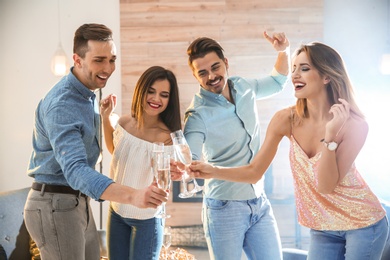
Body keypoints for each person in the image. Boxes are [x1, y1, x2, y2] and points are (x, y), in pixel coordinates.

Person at [189, 42, 389, 260]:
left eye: (304, 68)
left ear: (327, 76)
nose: (294, 75)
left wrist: (330, 137)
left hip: (363, 223)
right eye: (293, 68)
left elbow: (325, 184)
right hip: (322, 226)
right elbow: (255, 172)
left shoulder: (355, 124)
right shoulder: (286, 119)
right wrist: (210, 171)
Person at [24, 23, 169, 260]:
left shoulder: (87, 93)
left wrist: (104, 118)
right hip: (54, 204)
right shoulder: (64, 104)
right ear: (77, 60)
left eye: (112, 59)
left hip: (75, 202)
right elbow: (75, 169)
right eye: (99, 60)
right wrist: (133, 195)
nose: (108, 68)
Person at [183, 31, 290, 260]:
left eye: (215, 67)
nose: (211, 76)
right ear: (195, 76)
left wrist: (283, 51)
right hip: (223, 208)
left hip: (259, 202)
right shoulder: (197, 114)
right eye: (202, 73)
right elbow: (189, 157)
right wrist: (186, 165)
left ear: (226, 63)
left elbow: (277, 81)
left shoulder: (243, 86)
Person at [99, 66, 182, 260]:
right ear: (141, 90)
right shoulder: (125, 122)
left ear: (170, 100)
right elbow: (115, 150)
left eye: (164, 95)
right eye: (151, 91)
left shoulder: (168, 138)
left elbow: (172, 174)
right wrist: (105, 117)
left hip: (147, 220)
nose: (156, 99)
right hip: (117, 211)